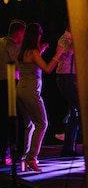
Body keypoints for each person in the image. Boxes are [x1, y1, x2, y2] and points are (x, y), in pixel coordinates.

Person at [16, 22, 64, 172]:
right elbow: (47, 69)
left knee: (29, 125)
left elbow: (31, 64)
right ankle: (32, 158)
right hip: (31, 91)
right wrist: (58, 54)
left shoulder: (24, 52)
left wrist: (41, 50)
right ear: (36, 36)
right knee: (42, 123)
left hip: (20, 89)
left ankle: (26, 157)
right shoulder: (33, 53)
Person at [0, 19, 26, 165]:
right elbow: (18, 65)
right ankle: (13, 152)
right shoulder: (12, 45)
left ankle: (4, 152)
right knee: (13, 118)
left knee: (3, 118)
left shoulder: (1, 42)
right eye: (23, 32)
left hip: (1, 81)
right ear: (18, 32)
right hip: (9, 82)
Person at [55, 20, 81, 157]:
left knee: (75, 110)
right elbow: (69, 51)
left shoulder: (70, 38)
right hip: (65, 77)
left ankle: (69, 145)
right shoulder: (64, 39)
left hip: (71, 76)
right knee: (77, 109)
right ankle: (68, 145)